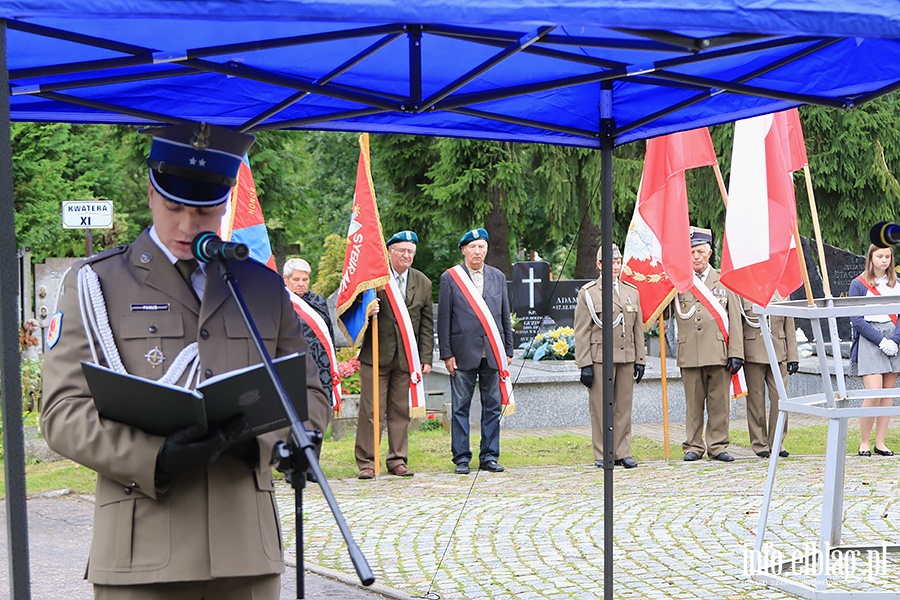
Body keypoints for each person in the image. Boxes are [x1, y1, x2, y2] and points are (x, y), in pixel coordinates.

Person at [40, 122, 329, 599]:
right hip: (143, 550)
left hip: (246, 553)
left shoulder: (259, 285)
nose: (188, 225)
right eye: (173, 206)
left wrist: (260, 441)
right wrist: (156, 457)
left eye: (205, 208)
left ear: (226, 201)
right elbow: (63, 413)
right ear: (151, 193)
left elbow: (310, 393)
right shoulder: (97, 283)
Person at [355, 230, 434, 479]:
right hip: (376, 356)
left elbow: (426, 325)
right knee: (371, 411)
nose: (407, 255)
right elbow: (353, 311)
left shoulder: (423, 282)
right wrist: (367, 309)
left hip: (405, 359)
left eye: (410, 251)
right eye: (402, 250)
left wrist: (426, 358)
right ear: (390, 251)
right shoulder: (374, 278)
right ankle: (367, 461)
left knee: (400, 411)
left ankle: (397, 459)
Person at [438, 227, 514, 475]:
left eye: (481, 246)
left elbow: (504, 316)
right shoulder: (451, 278)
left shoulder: (498, 277)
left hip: (492, 352)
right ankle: (461, 458)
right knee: (460, 407)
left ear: (487, 250)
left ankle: (489, 456)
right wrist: (447, 353)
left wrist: (508, 350)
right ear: (464, 250)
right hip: (462, 353)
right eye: (472, 247)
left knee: (492, 406)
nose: (477, 251)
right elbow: (444, 319)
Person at [673, 226, 744, 462]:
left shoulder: (723, 280)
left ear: (709, 253)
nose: (696, 257)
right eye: (692, 252)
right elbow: (663, 316)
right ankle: (693, 446)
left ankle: (718, 445)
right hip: (690, 352)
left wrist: (736, 352)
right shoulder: (678, 281)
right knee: (693, 405)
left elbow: (735, 318)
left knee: (719, 404)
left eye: (700, 252)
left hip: (718, 351)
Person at [574, 243, 645, 469]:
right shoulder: (589, 293)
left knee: (624, 406)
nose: (615, 267)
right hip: (600, 357)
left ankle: (623, 451)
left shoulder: (631, 291)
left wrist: (640, 359)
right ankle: (604, 452)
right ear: (599, 265)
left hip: (626, 356)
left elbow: (638, 329)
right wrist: (584, 363)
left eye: (617, 262)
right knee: (601, 406)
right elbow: (582, 330)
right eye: (610, 263)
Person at [849, 244, 900, 457]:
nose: (884, 260)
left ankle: (881, 442)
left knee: (887, 395)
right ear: (870, 258)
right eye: (880, 256)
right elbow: (856, 319)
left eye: (887, 256)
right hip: (870, 339)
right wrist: (880, 341)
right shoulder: (858, 284)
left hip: (894, 338)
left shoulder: (897, 282)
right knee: (873, 393)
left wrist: (895, 341)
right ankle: (864, 442)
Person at [739, 292, 799, 459]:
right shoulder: (743, 290)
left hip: (779, 351)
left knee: (780, 399)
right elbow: (737, 324)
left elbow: (789, 325)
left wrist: (793, 356)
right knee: (756, 401)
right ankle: (759, 443)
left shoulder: (782, 291)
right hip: (753, 351)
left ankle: (777, 441)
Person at [283, 256, 337, 433]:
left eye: (305, 279)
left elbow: (329, 335)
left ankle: (315, 454)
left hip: (319, 367)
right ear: (286, 279)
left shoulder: (318, 302)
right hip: (292, 366)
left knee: (317, 414)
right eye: (296, 279)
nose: (301, 284)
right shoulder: (280, 301)